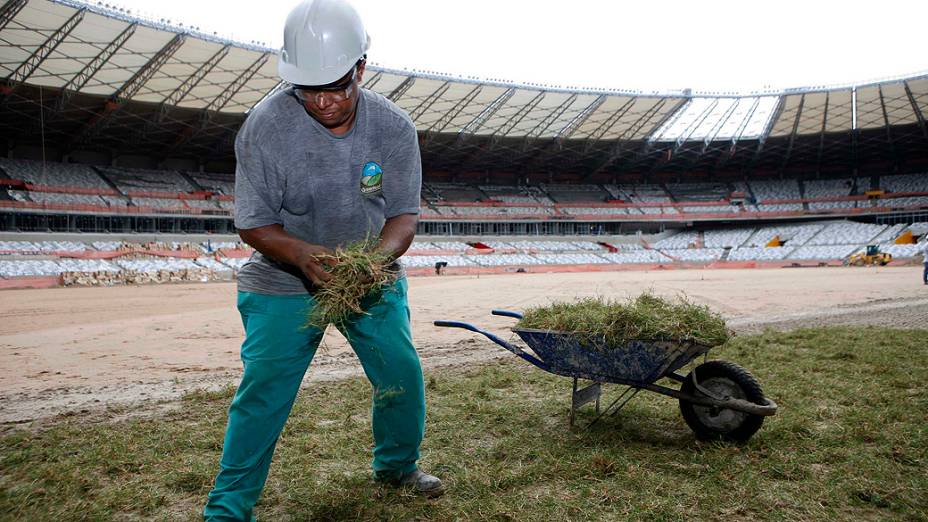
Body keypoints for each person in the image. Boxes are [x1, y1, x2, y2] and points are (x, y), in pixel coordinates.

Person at [202, 1, 441, 519]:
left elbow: (402, 217)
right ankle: (228, 508)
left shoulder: (394, 128)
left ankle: (397, 466)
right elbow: (253, 222)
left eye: (338, 86)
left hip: (369, 278)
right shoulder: (265, 128)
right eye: (310, 89)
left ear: (361, 67)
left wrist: (368, 266)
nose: (325, 101)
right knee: (263, 394)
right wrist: (303, 255)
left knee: (400, 373)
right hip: (282, 279)